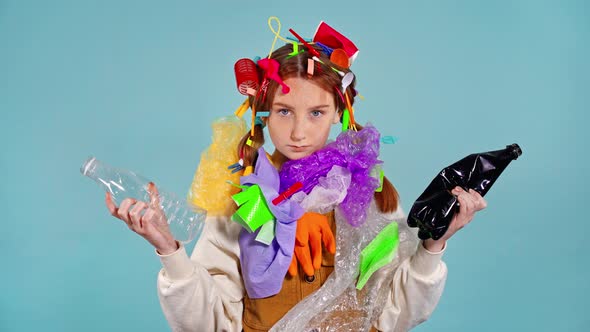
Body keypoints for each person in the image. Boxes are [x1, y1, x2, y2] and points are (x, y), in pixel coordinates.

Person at [104, 20, 487, 332]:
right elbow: (209, 322)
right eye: (284, 111)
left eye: (316, 113)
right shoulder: (240, 199)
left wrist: (434, 244)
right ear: (262, 112)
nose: (299, 132)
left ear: (341, 111)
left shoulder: (370, 196)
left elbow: (397, 313)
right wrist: (170, 251)